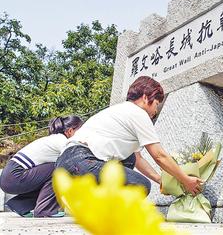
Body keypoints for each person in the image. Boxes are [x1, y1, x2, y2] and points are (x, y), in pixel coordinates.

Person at [56, 76, 202, 196]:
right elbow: (159, 155)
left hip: (63, 166)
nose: (155, 111)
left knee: (130, 157)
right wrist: (185, 180)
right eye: (156, 104)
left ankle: (95, 204)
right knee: (140, 185)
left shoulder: (120, 111)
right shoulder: (138, 113)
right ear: (145, 98)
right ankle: (107, 213)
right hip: (81, 162)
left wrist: (160, 180)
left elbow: (138, 159)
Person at [0, 115, 83, 217]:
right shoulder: (61, 141)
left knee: (56, 173)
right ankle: (45, 210)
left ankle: (21, 205)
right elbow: (77, 160)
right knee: (60, 170)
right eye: (81, 131)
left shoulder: (55, 139)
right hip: (15, 174)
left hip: (10, 176)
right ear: (70, 131)